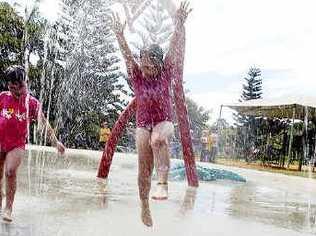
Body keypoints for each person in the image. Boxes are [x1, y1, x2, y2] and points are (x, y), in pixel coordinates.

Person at [109, 1, 192, 227]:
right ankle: (144, 205)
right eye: (142, 63)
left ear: (158, 62)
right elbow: (126, 54)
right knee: (143, 170)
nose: (145, 67)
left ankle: (163, 183)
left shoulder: (166, 72)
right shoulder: (137, 75)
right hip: (142, 125)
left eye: (149, 64)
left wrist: (179, 24)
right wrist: (119, 35)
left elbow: (174, 46)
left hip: (164, 123)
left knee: (158, 139)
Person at [0, 65, 65, 222]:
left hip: (17, 144)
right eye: (12, 86)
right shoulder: (2, 97)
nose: (17, 89)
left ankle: (8, 207)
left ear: (24, 82)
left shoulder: (32, 103)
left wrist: (55, 142)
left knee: (10, 172)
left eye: (19, 85)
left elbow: (43, 123)